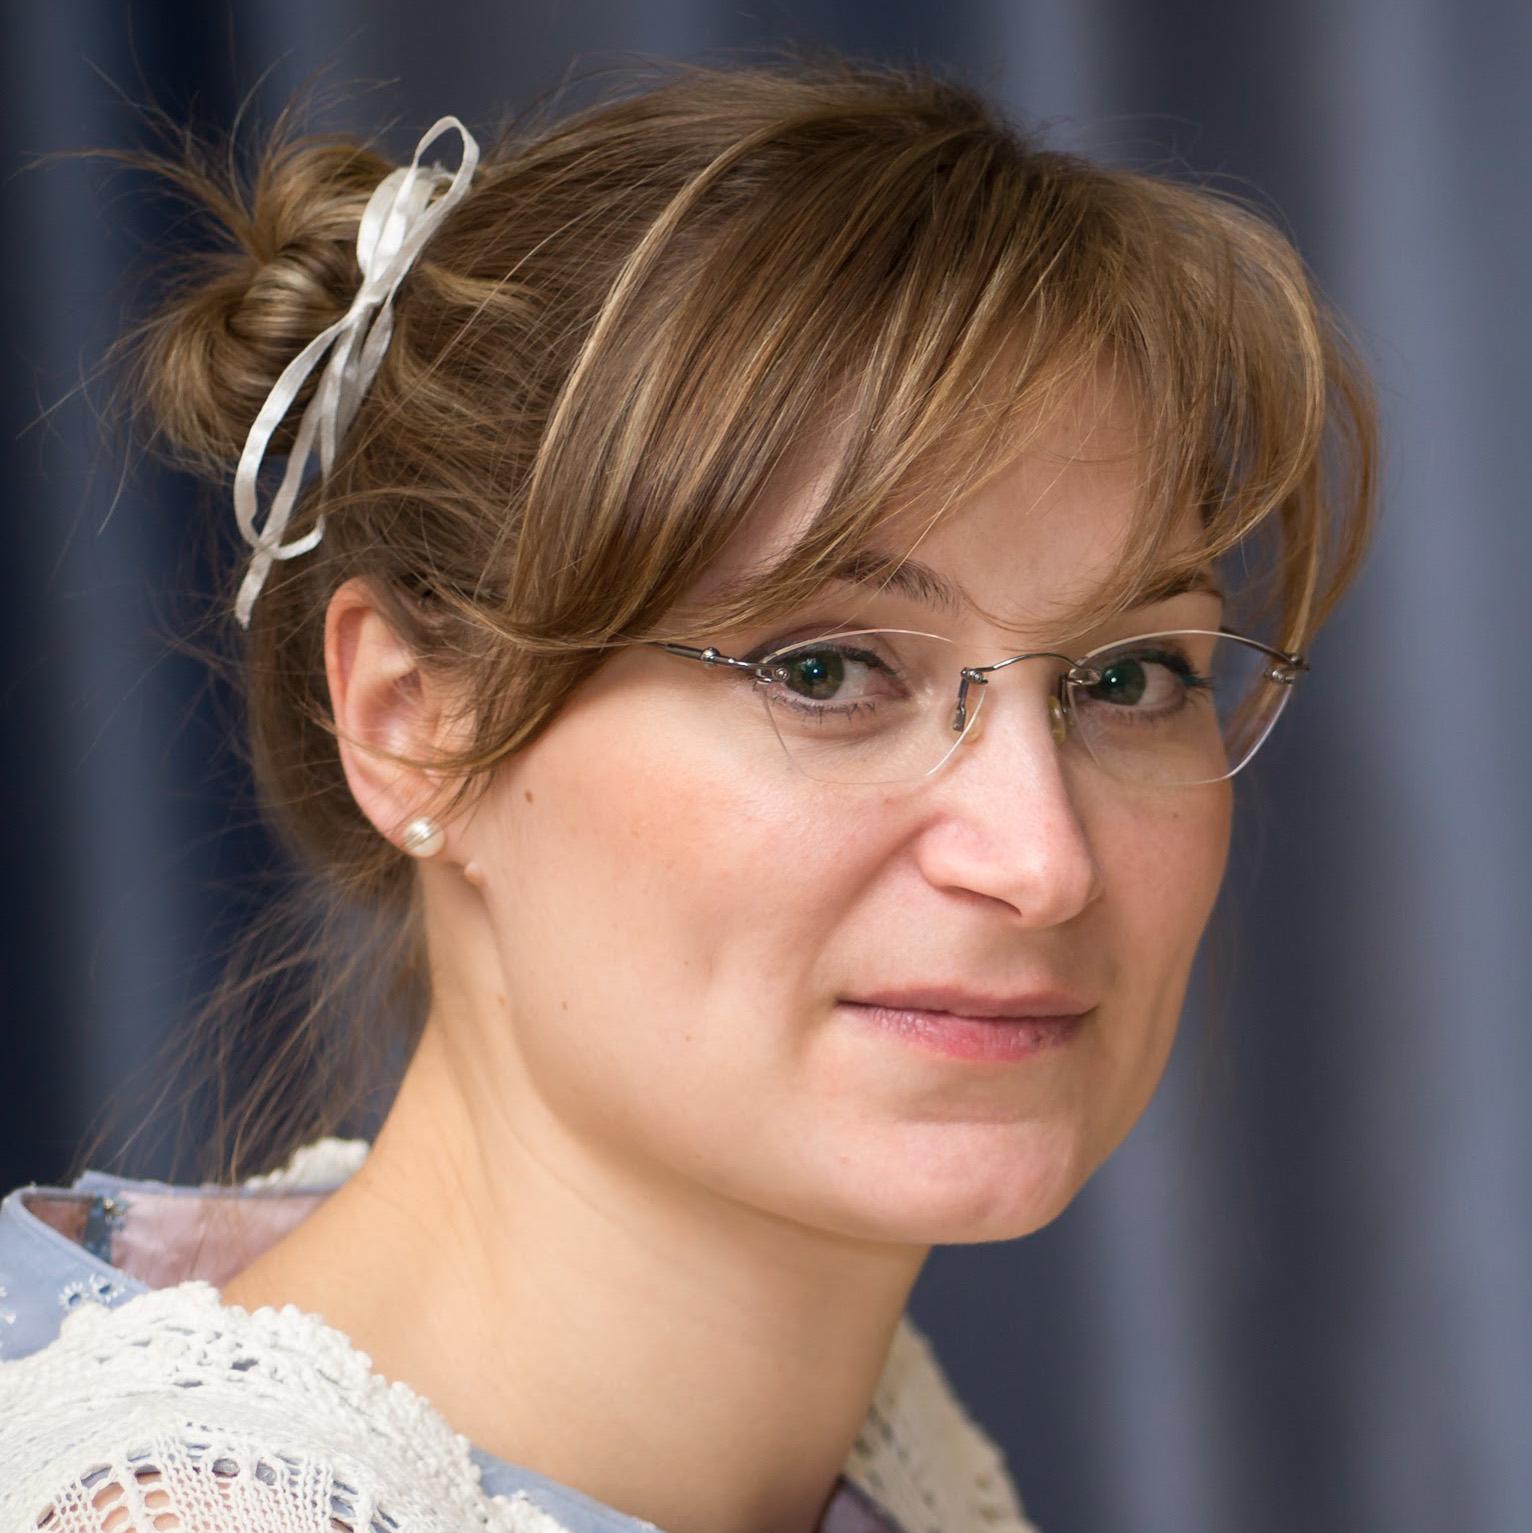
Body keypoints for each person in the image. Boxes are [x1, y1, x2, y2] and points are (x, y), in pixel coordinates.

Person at [0, 52, 1376, 1533]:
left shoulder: (888, 1457)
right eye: (828, 671)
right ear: (413, 728)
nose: (1044, 860)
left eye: (1128, 677)